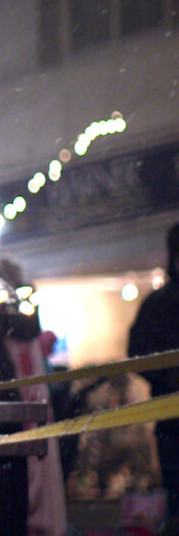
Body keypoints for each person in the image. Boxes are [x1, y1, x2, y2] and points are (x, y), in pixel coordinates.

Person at [128, 222, 179, 528]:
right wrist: (166, 376)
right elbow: (138, 352)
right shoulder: (159, 304)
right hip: (171, 419)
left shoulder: (158, 304)